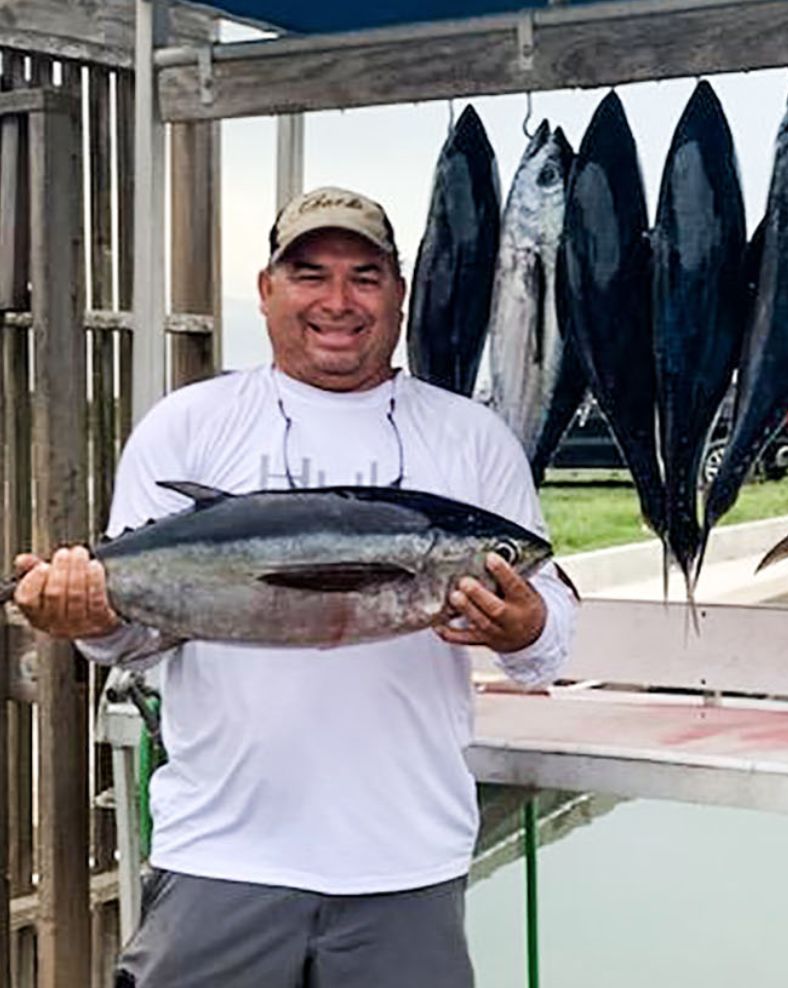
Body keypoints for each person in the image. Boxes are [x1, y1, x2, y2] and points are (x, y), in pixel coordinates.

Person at [11, 187, 579, 988]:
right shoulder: (188, 425)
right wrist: (84, 616)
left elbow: (550, 645)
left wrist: (524, 626)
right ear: (266, 289)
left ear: (400, 293)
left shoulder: (473, 440)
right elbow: (134, 641)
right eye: (310, 274)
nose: (338, 301)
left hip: (407, 857)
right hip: (220, 851)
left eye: (365, 277)